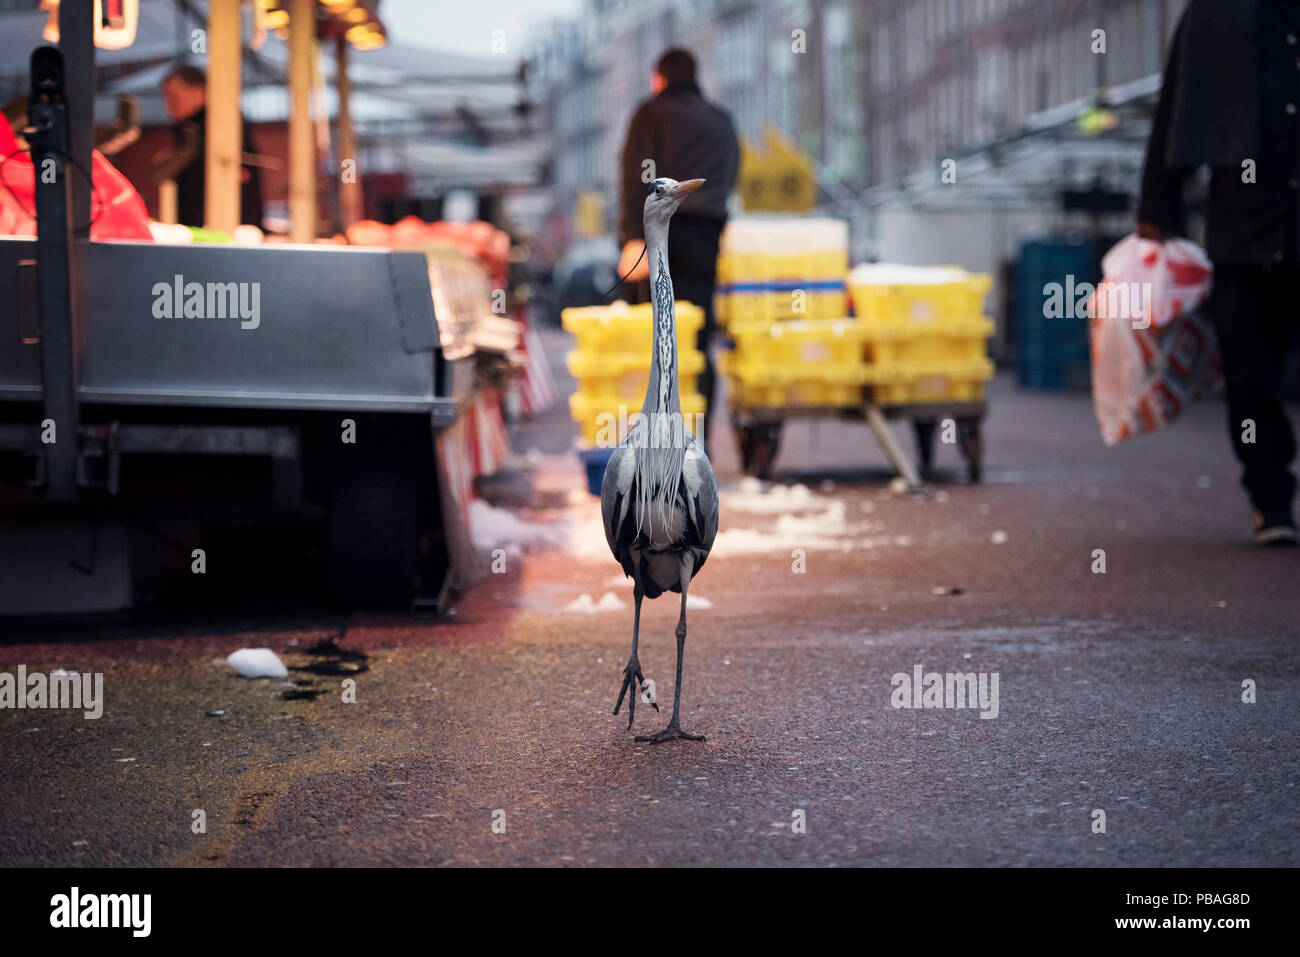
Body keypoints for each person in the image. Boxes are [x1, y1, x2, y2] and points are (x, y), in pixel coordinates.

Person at [1138, 0, 1300, 546]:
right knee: (1250, 373)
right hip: (1244, 225)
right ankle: (1271, 497)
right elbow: (1175, 105)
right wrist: (1159, 207)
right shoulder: (1213, 14)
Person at [618, 48, 739, 450]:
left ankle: (651, 440)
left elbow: (637, 172)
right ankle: (697, 441)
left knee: (654, 334)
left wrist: (630, 237)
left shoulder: (651, 113)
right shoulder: (721, 121)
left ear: (660, 78)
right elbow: (728, 176)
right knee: (697, 339)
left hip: (660, 232)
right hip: (706, 239)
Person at [156, 64, 264, 229]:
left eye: (174, 98)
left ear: (200, 92)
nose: (168, 107)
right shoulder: (194, 130)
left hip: (218, 231)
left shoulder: (215, 127)